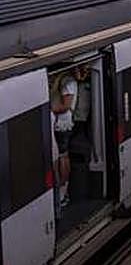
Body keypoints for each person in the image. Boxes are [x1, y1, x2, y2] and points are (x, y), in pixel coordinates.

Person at [51, 71, 76, 208]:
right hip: (64, 124)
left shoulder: (66, 82)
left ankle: (62, 192)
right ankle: (63, 191)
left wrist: (49, 110)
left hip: (62, 125)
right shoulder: (67, 81)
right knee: (63, 156)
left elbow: (66, 105)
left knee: (62, 157)